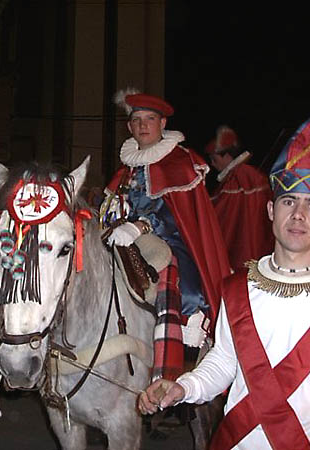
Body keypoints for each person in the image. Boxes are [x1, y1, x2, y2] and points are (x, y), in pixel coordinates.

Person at [139, 113, 310, 449]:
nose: (298, 214)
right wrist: (185, 387)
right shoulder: (238, 287)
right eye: (288, 201)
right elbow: (225, 360)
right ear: (271, 210)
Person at [101, 88, 230, 381]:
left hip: (174, 240)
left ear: (162, 125)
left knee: (186, 290)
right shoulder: (127, 167)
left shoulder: (179, 161)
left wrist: (141, 226)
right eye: (136, 120)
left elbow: (178, 217)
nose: (142, 126)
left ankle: (183, 369)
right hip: (126, 239)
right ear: (129, 127)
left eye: (150, 119)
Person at [206, 125, 274, 270]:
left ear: (227, 155)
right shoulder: (252, 174)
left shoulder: (238, 176)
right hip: (261, 244)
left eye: (214, 158)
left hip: (243, 245)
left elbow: (221, 211)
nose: (212, 163)